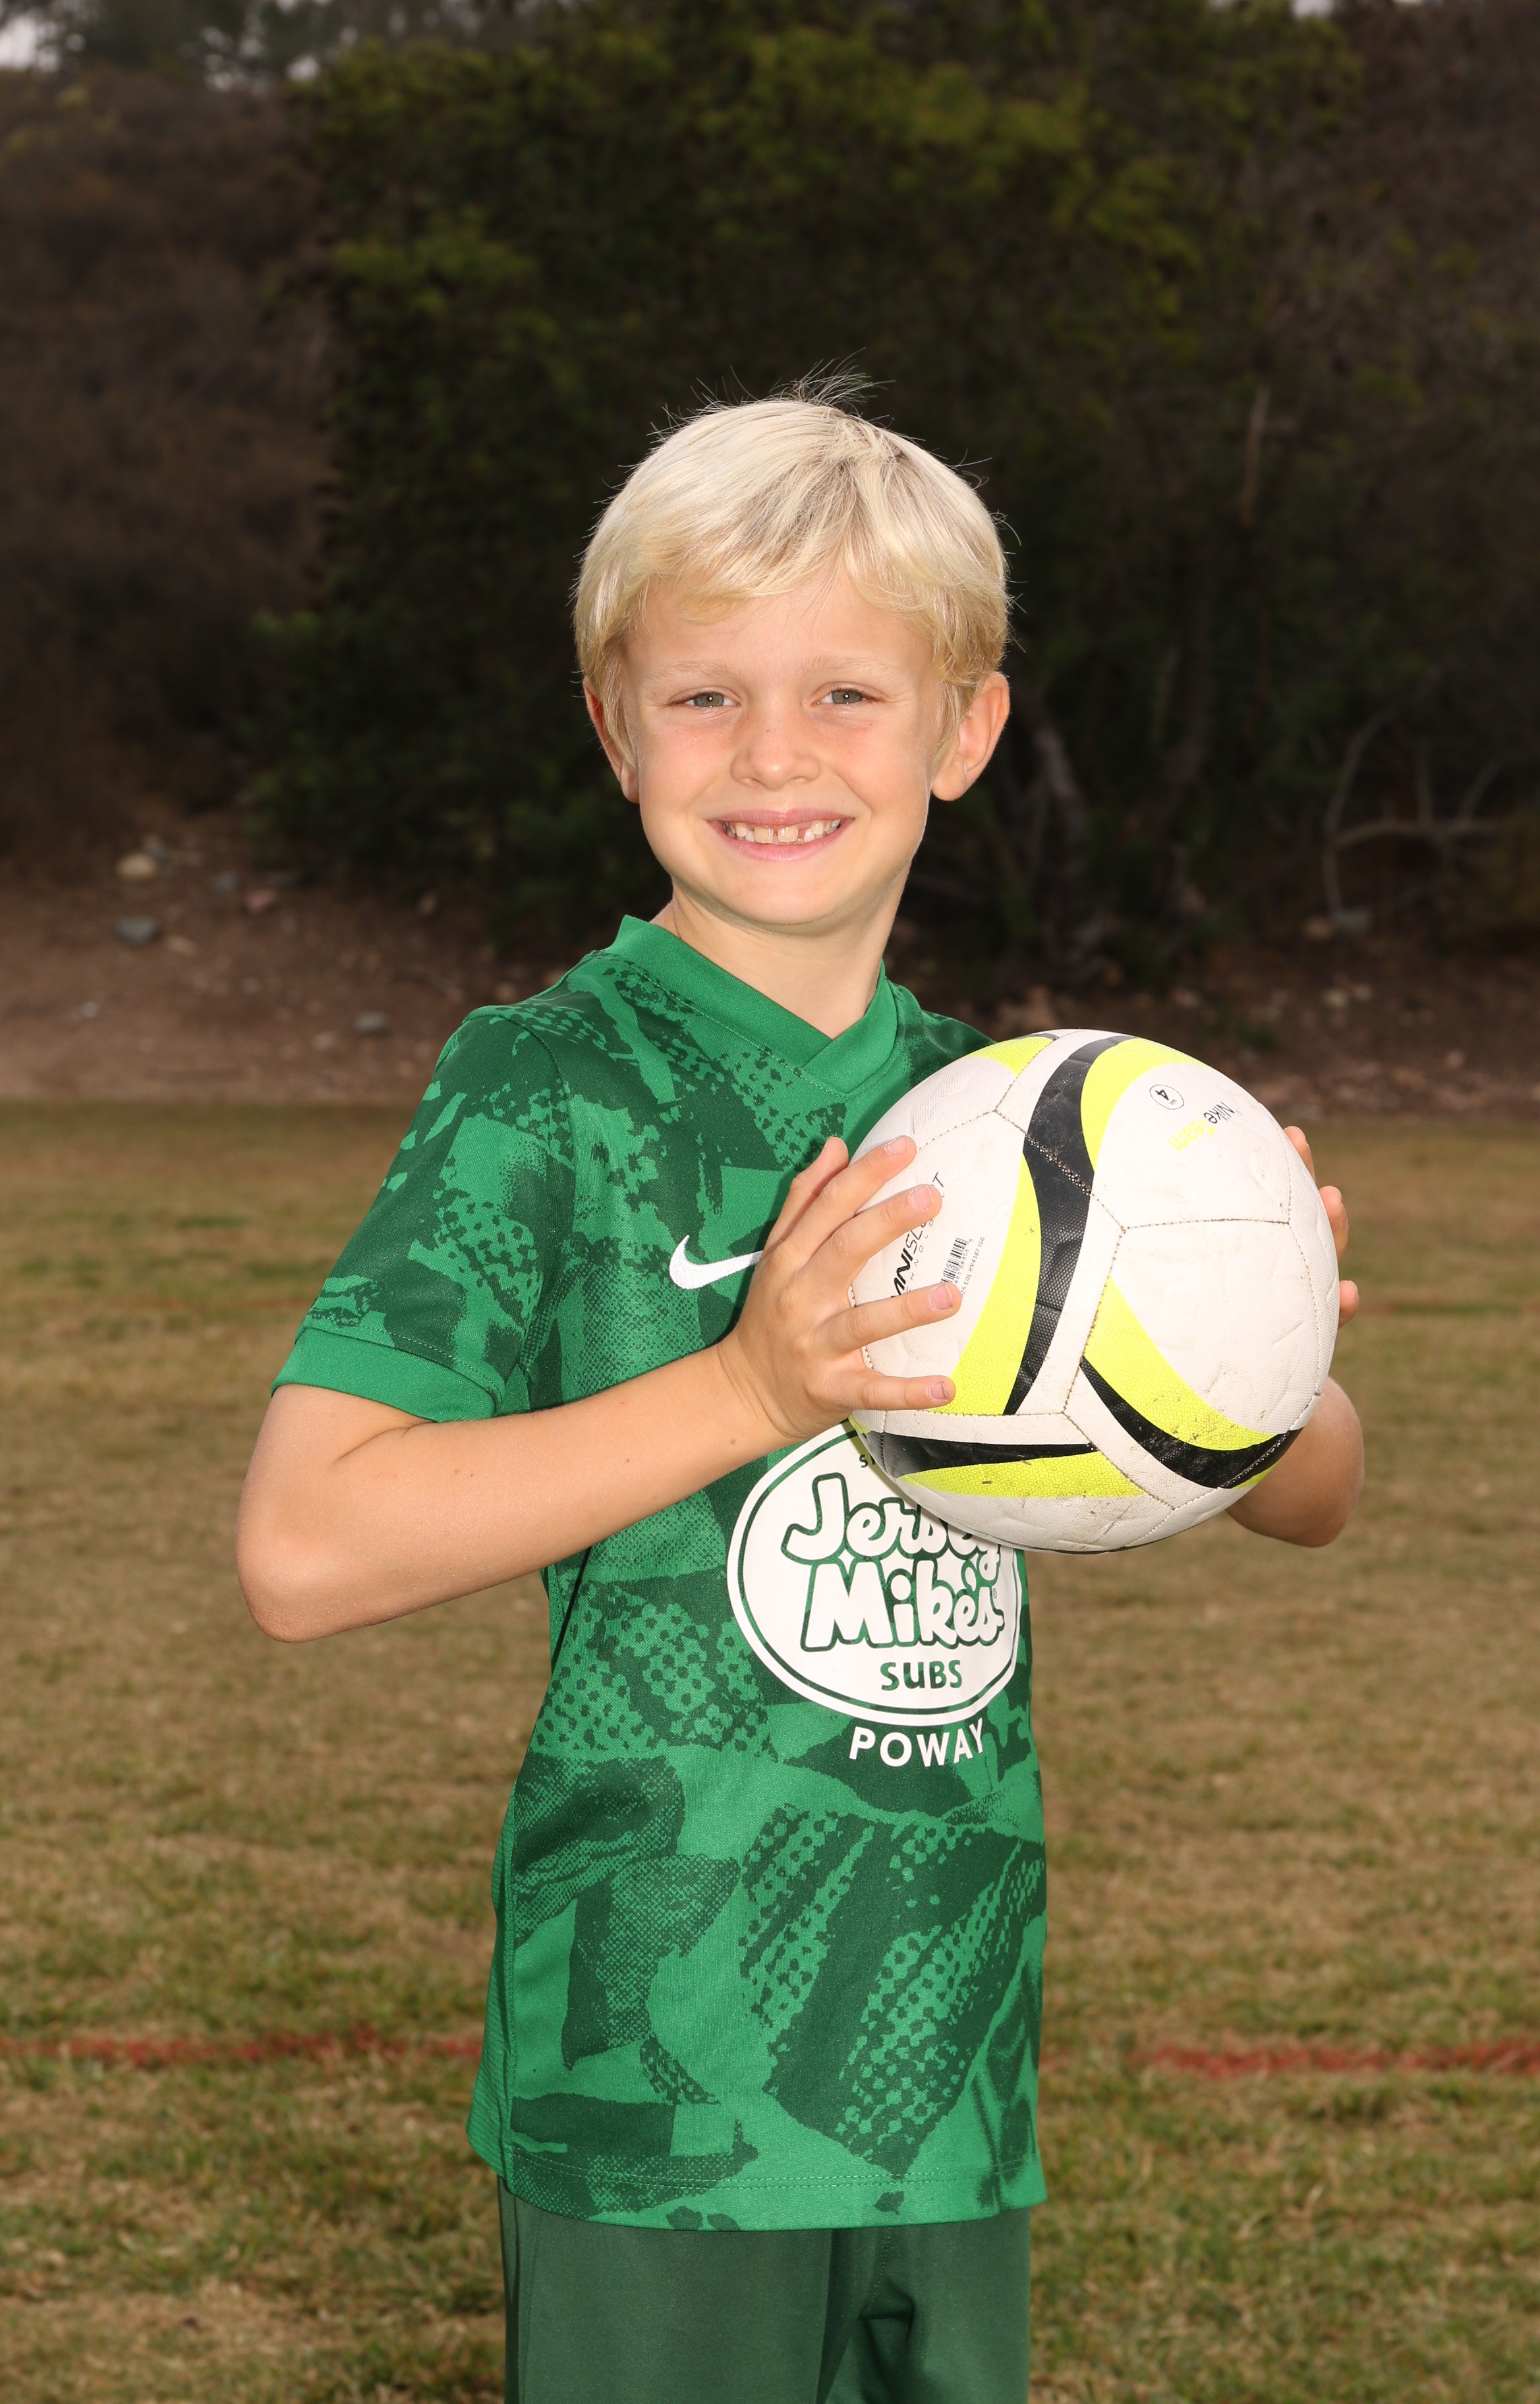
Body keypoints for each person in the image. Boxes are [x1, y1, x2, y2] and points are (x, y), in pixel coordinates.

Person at [236, 394, 1363, 2404]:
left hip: (949, 2073)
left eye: (847, 691)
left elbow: (1312, 1490)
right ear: (617, 728)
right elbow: (307, 1547)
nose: (774, 753)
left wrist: (1255, 1339)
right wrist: (755, 1382)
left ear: (964, 729)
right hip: (657, 2088)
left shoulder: (1010, 1118)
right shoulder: (549, 1090)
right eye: (705, 696)